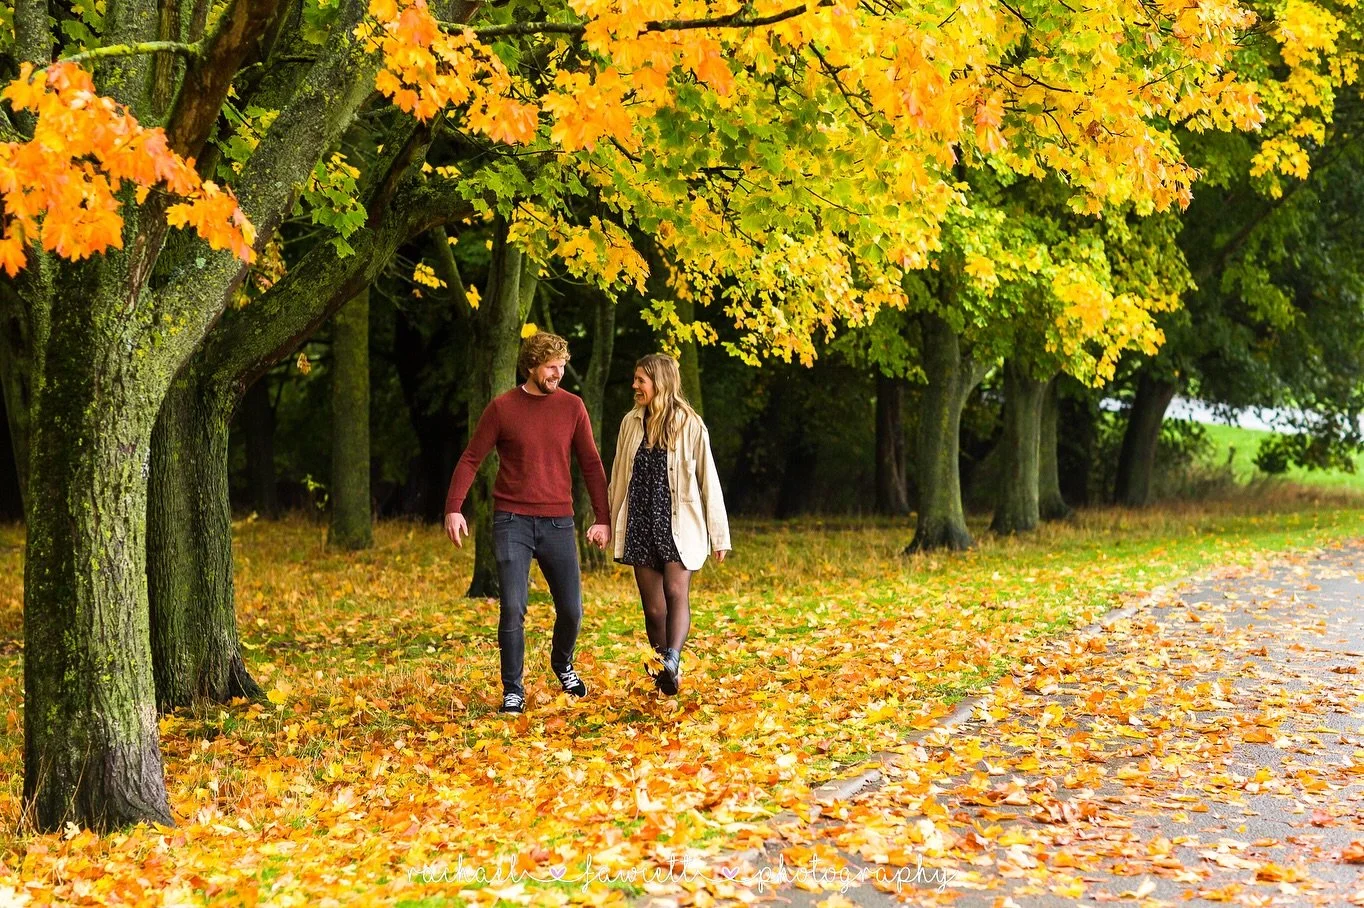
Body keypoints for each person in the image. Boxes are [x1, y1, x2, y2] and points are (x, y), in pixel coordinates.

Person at [444, 332, 611, 715]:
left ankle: (562, 663)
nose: (559, 374)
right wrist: (454, 507)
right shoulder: (503, 408)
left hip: (558, 523)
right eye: (552, 367)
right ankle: (513, 691)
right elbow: (471, 458)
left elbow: (591, 464)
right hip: (512, 521)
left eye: (562, 367)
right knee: (513, 608)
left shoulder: (573, 407)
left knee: (571, 609)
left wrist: (603, 517)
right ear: (532, 366)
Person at [608, 353, 730, 696]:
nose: (634, 386)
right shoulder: (630, 423)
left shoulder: (691, 424)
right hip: (641, 524)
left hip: (680, 523)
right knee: (653, 608)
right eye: (634, 380)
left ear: (659, 383)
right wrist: (606, 521)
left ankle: (672, 659)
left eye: (640, 381)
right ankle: (664, 672)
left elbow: (710, 480)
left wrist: (719, 535)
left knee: (676, 592)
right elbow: (619, 477)